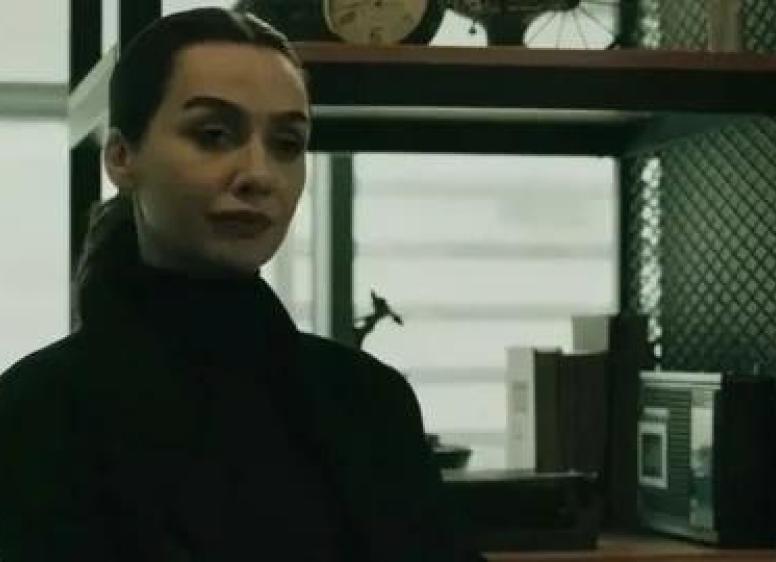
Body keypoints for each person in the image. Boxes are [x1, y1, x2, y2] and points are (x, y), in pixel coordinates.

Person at [0, 8, 483, 562]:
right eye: (213, 135)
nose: (258, 174)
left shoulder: (368, 401)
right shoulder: (37, 413)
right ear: (121, 157)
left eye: (287, 143)